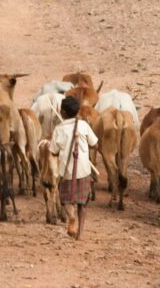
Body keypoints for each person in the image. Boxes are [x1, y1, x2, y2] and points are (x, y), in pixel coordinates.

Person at [49, 94, 98, 238]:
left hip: (67, 171)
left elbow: (53, 151)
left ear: (63, 113)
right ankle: (80, 234)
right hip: (83, 170)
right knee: (83, 204)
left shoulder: (59, 129)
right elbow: (95, 144)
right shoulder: (84, 125)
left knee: (66, 200)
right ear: (77, 111)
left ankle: (71, 216)